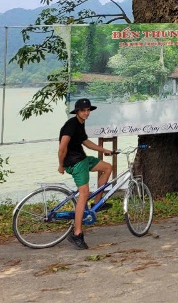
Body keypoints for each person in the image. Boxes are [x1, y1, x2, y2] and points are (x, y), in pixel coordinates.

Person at [58, 98, 114, 250]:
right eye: (83, 110)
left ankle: (97, 203)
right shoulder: (71, 125)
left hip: (82, 158)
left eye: (88, 110)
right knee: (83, 193)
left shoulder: (80, 123)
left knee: (108, 167)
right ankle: (77, 233)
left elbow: (86, 142)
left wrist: (103, 150)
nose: (87, 113)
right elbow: (62, 148)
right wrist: (61, 165)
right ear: (77, 111)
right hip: (75, 163)